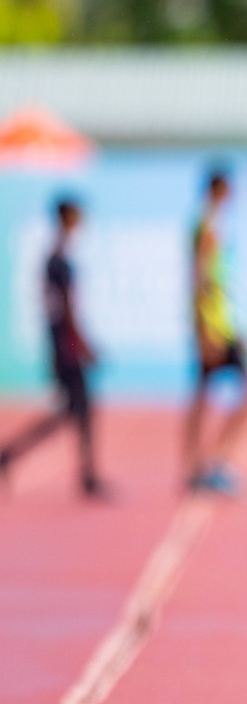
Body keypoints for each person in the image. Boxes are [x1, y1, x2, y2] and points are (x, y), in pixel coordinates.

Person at [0, 196, 106, 498]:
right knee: (77, 409)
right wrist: (81, 343)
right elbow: (66, 308)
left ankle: (85, 474)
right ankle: (87, 476)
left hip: (63, 343)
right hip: (66, 346)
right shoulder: (58, 260)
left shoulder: (55, 258)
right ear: (68, 218)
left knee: (75, 410)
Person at [185, 169, 247, 495]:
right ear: (219, 190)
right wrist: (205, 331)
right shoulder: (207, 228)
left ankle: (200, 464)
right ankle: (211, 463)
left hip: (222, 324)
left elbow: (217, 285)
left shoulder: (213, 226)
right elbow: (201, 282)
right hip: (215, 328)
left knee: (204, 395)